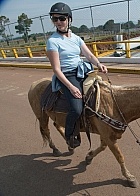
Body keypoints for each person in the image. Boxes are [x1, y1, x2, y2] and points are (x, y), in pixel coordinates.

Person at [46, 2, 108, 149]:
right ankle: (69, 135)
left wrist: (99, 64)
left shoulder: (76, 38)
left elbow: (89, 55)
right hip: (67, 75)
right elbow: (56, 69)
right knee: (76, 108)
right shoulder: (52, 41)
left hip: (81, 71)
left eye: (62, 18)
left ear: (69, 19)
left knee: (102, 90)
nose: (58, 22)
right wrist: (71, 87)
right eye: (55, 19)